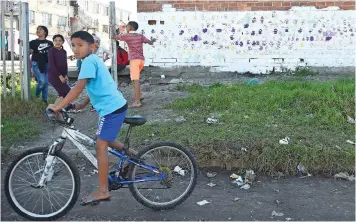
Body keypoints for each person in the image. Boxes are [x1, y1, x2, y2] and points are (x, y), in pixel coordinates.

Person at [46, 31, 129, 205]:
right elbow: (93, 87)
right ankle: (132, 156)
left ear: (92, 47)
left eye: (80, 45)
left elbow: (77, 88)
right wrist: (81, 105)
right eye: (73, 45)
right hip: (113, 106)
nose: (75, 49)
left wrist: (57, 106)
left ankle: (103, 190)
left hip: (111, 109)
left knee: (100, 145)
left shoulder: (89, 62)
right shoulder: (91, 61)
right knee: (101, 138)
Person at [115, 21, 156, 108]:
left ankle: (137, 102)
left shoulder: (127, 36)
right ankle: (140, 96)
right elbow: (150, 42)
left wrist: (114, 29)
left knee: (135, 80)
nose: (126, 28)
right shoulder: (140, 36)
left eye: (127, 27)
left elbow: (114, 37)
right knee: (134, 79)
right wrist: (153, 40)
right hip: (141, 60)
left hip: (134, 60)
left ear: (130, 28)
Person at [30, 25, 53, 104]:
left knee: (45, 82)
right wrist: (22, 44)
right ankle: (36, 95)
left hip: (47, 64)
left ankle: (44, 100)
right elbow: (29, 51)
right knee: (43, 81)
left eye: (40, 29)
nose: (38, 30)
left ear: (45, 32)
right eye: (37, 29)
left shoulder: (50, 43)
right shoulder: (33, 42)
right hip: (36, 63)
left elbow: (52, 54)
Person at [48, 34, 70, 105]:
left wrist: (66, 75)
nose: (58, 42)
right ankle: (53, 109)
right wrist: (60, 76)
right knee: (66, 92)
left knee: (63, 93)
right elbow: (52, 65)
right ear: (53, 41)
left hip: (63, 76)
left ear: (63, 42)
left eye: (60, 40)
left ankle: (58, 110)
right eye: (56, 40)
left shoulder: (64, 51)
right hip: (54, 76)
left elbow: (65, 64)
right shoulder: (51, 51)